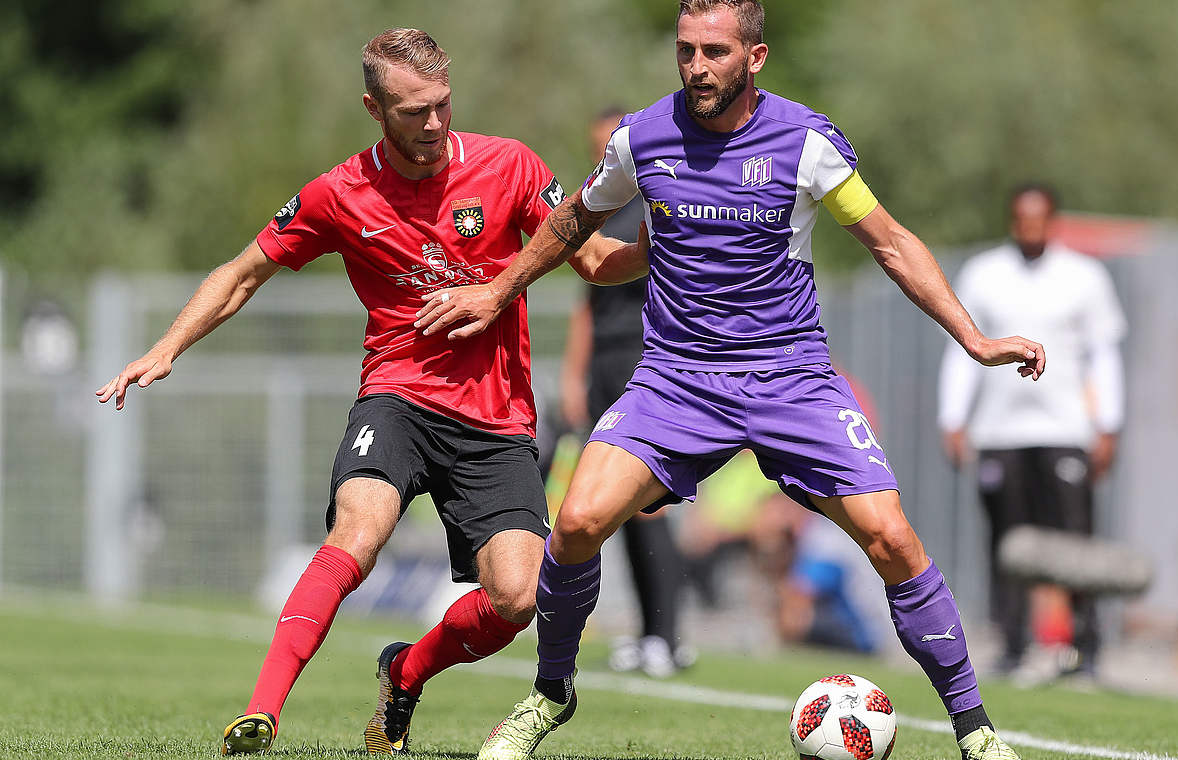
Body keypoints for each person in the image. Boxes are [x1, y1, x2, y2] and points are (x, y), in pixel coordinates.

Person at [426, 3, 1045, 758]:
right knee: (580, 521)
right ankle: (549, 695)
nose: (696, 67)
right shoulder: (642, 137)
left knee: (892, 539)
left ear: (755, 58)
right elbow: (573, 222)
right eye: (685, 50)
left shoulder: (806, 143)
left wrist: (974, 339)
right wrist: (499, 290)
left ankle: (975, 732)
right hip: (676, 381)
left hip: (791, 378)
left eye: (714, 51)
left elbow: (890, 243)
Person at [94, 28, 636, 756]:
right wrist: (166, 347)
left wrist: (672, 236)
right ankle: (262, 712)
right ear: (374, 108)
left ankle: (406, 671)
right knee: (358, 532)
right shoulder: (340, 193)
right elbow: (242, 272)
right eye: (414, 111)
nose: (435, 123)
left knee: (515, 598)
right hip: (397, 398)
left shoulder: (510, 166)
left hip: (496, 419)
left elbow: (598, 262)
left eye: (442, 104)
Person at [937, 184, 1127, 680]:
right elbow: (964, 349)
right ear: (1012, 220)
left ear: (1053, 220)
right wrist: (953, 417)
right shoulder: (984, 274)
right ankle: (1012, 643)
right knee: (1007, 542)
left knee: (1074, 540)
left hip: (1065, 428)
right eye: (1022, 217)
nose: (1031, 226)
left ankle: (1084, 647)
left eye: (1039, 217)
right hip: (1001, 431)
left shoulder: (1084, 277)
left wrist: (1108, 424)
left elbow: (1103, 354)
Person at [558, 107, 691, 678]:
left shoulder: (661, 205)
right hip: (605, 371)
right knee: (614, 508)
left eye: (610, 144)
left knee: (644, 506)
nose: (603, 156)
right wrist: (572, 376)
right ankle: (648, 634)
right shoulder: (599, 208)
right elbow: (588, 305)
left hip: (648, 363)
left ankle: (666, 636)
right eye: (597, 146)